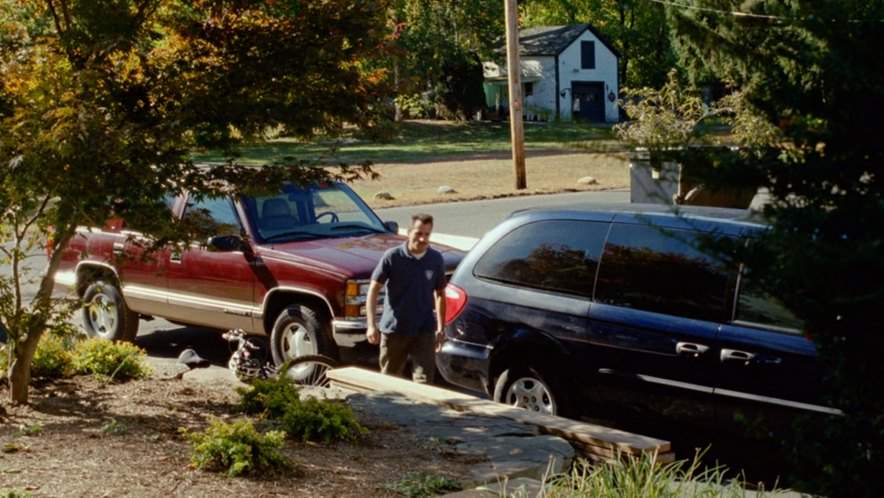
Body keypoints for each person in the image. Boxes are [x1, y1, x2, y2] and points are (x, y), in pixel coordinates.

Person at [366, 213, 446, 384]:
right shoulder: (392, 256)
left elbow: (440, 293)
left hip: (424, 329)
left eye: (427, 234)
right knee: (390, 380)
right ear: (409, 233)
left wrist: (441, 327)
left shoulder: (435, 259)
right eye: (418, 233)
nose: (423, 239)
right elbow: (373, 289)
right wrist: (371, 325)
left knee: (425, 383)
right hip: (395, 328)